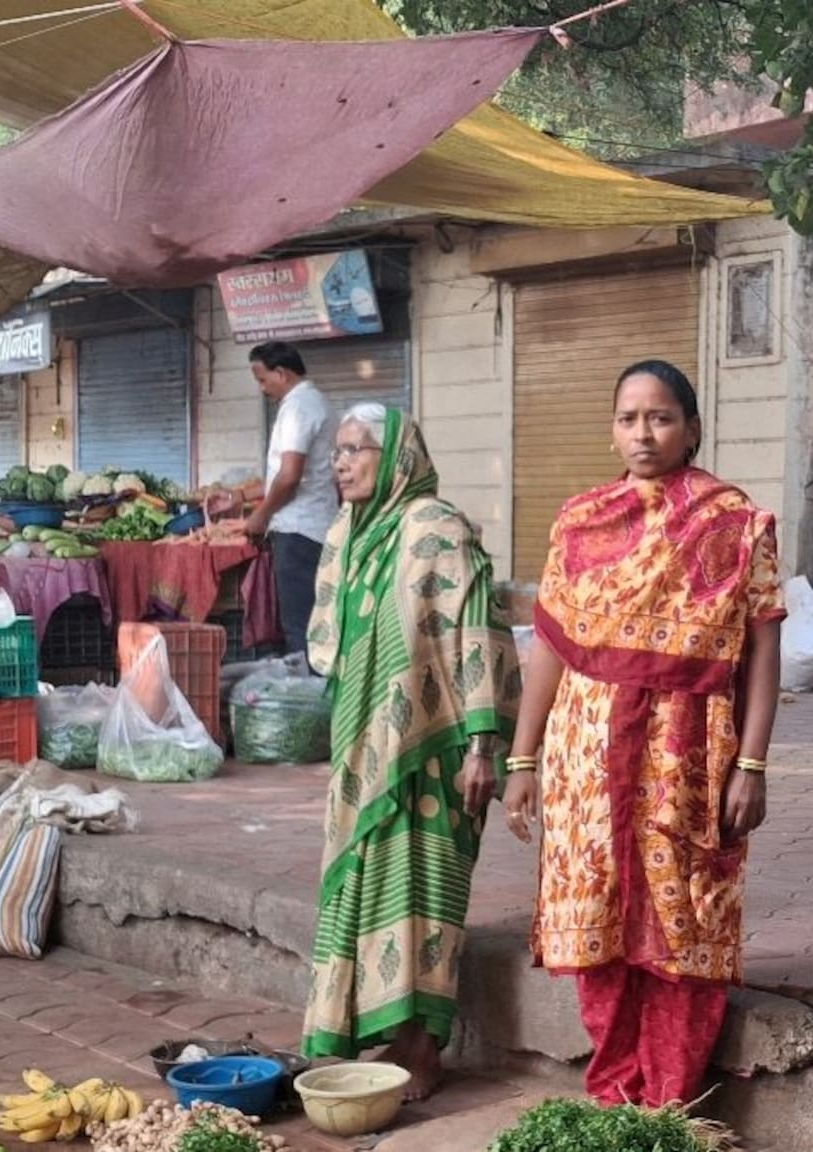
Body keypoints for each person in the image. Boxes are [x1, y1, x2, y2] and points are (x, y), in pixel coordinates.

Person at [502, 359, 784, 1109]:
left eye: (660, 417)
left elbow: (762, 650)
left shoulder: (736, 521)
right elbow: (552, 650)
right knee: (597, 917)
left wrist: (751, 764)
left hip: (687, 753)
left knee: (684, 915)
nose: (643, 432)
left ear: (691, 428)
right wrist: (522, 759)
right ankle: (615, 1098)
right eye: (628, 418)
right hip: (587, 753)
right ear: (612, 429)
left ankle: (669, 1102)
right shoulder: (581, 522)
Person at [301, 403, 520, 1100]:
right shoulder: (344, 536)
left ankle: (423, 1043)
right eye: (338, 450)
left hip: (435, 745)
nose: (342, 462)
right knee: (360, 880)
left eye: (359, 449)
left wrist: (483, 746)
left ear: (397, 456)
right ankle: (372, 1027)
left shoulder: (436, 528)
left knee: (423, 889)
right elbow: (331, 644)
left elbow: (479, 630)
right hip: (362, 745)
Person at [245, 341, 338, 655]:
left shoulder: (298, 408)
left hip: (299, 531)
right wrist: (240, 496)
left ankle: (306, 696)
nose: (261, 388)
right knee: (315, 622)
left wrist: (261, 515)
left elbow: (289, 477)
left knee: (301, 626)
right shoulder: (319, 401)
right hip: (316, 526)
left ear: (281, 373)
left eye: (262, 379)